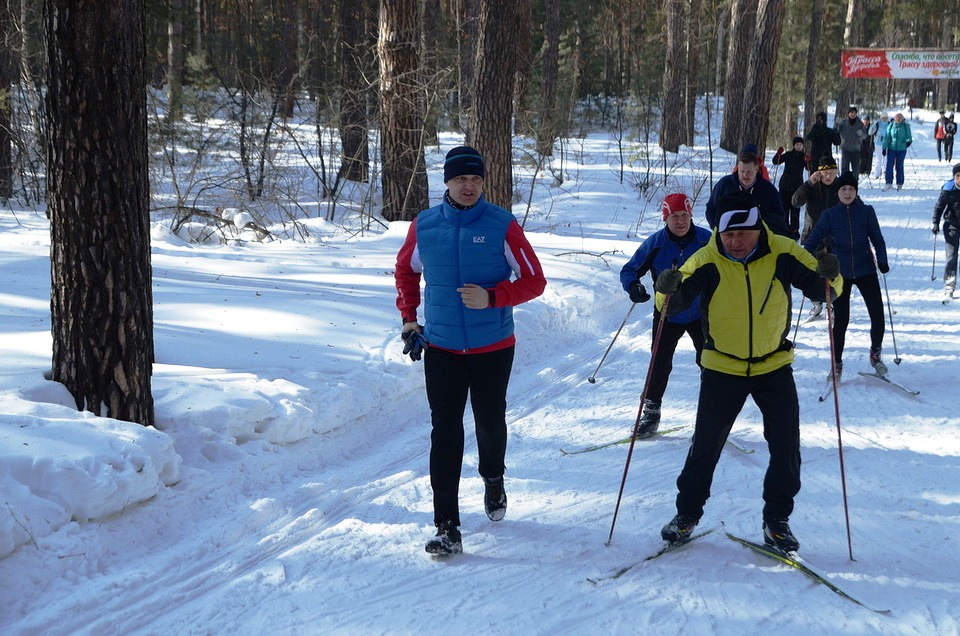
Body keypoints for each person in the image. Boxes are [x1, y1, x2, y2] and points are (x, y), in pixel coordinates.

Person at [654, 190, 843, 552]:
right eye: (729, 235)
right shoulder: (707, 258)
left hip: (773, 364)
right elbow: (672, 304)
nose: (736, 242)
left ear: (758, 230)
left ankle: (777, 521)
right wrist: (665, 292)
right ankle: (687, 515)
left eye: (744, 234)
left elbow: (823, 289)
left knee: (786, 445)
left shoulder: (783, 251)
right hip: (722, 366)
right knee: (706, 446)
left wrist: (831, 277)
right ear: (718, 234)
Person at [394, 145, 547, 556]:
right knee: (445, 432)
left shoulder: (501, 225)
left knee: (490, 421)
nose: (469, 186)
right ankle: (446, 525)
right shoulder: (424, 226)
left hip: (492, 346)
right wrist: (409, 318)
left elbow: (535, 280)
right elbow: (406, 271)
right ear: (447, 182)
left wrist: (494, 297)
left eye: (476, 179)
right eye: (461, 179)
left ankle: (493, 478)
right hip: (441, 346)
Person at [619, 193, 712, 436]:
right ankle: (651, 412)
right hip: (667, 314)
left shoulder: (706, 241)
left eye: (685, 215)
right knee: (659, 362)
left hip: (701, 312)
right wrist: (633, 287)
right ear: (665, 219)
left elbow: (728, 265)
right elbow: (629, 270)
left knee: (709, 361)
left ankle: (712, 413)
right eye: (674, 217)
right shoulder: (656, 244)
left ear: (691, 215)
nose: (681, 221)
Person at [803, 171, 890, 379]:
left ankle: (875, 354)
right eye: (843, 189)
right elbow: (813, 239)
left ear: (856, 191)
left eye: (851, 189)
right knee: (841, 319)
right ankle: (837, 363)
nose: (847, 192)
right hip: (840, 273)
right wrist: (805, 260)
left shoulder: (866, 212)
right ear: (838, 192)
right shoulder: (830, 215)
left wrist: (883, 261)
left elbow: (878, 239)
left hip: (865, 269)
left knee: (877, 315)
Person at [792, 155, 840, 320]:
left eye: (832, 173)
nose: (828, 176)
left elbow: (854, 204)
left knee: (832, 272)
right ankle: (816, 303)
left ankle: (831, 303)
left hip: (834, 238)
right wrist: (809, 183)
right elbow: (795, 202)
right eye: (825, 173)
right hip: (812, 236)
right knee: (813, 272)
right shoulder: (812, 187)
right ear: (818, 173)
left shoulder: (840, 188)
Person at [705, 147, 791, 236]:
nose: (745, 175)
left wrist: (764, 230)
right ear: (737, 169)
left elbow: (779, 216)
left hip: (759, 241)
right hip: (727, 239)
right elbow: (710, 209)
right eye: (742, 171)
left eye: (749, 172)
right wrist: (717, 228)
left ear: (757, 169)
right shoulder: (724, 185)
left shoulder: (768, 189)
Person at [931, 162, 960, 300]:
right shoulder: (948, 189)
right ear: (954, 176)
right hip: (951, 225)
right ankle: (949, 285)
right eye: (958, 176)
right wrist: (935, 223)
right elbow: (939, 206)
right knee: (951, 255)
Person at [771, 136, 808, 239]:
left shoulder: (804, 157)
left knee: (795, 209)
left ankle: (794, 231)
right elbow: (776, 161)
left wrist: (809, 161)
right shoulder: (788, 155)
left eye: (800, 145)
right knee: (784, 209)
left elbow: (809, 168)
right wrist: (778, 153)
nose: (799, 146)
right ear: (794, 145)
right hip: (785, 186)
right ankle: (784, 228)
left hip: (797, 187)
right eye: (797, 145)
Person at [882, 112, 913, 191]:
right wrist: (884, 148)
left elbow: (909, 137)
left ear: (902, 119)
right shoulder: (891, 126)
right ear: (894, 118)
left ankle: (900, 183)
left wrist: (908, 142)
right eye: (897, 117)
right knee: (889, 165)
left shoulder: (906, 126)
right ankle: (888, 182)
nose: (898, 119)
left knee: (899, 166)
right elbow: (887, 137)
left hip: (901, 149)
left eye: (900, 118)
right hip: (891, 148)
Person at [836, 106, 866, 175]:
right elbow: (836, 131)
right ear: (848, 113)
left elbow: (865, 136)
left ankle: (854, 184)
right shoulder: (843, 123)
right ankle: (844, 184)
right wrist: (837, 124)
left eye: (854, 113)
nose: (853, 114)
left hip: (856, 150)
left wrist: (861, 134)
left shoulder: (860, 124)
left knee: (856, 170)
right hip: (845, 148)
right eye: (851, 112)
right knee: (844, 168)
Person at [872, 113, 890, 179]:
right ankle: (877, 173)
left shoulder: (889, 124)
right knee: (878, 159)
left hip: (887, 143)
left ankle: (885, 171)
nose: (884, 119)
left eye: (885, 117)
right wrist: (871, 127)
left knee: (886, 158)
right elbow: (870, 132)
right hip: (878, 143)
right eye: (883, 117)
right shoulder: (878, 124)